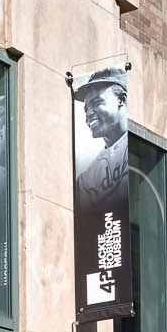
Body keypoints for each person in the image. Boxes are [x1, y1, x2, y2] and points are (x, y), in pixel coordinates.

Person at [74, 67, 128, 219]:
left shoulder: (140, 150)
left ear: (121, 100)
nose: (89, 113)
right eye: (86, 109)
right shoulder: (86, 179)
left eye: (97, 103)